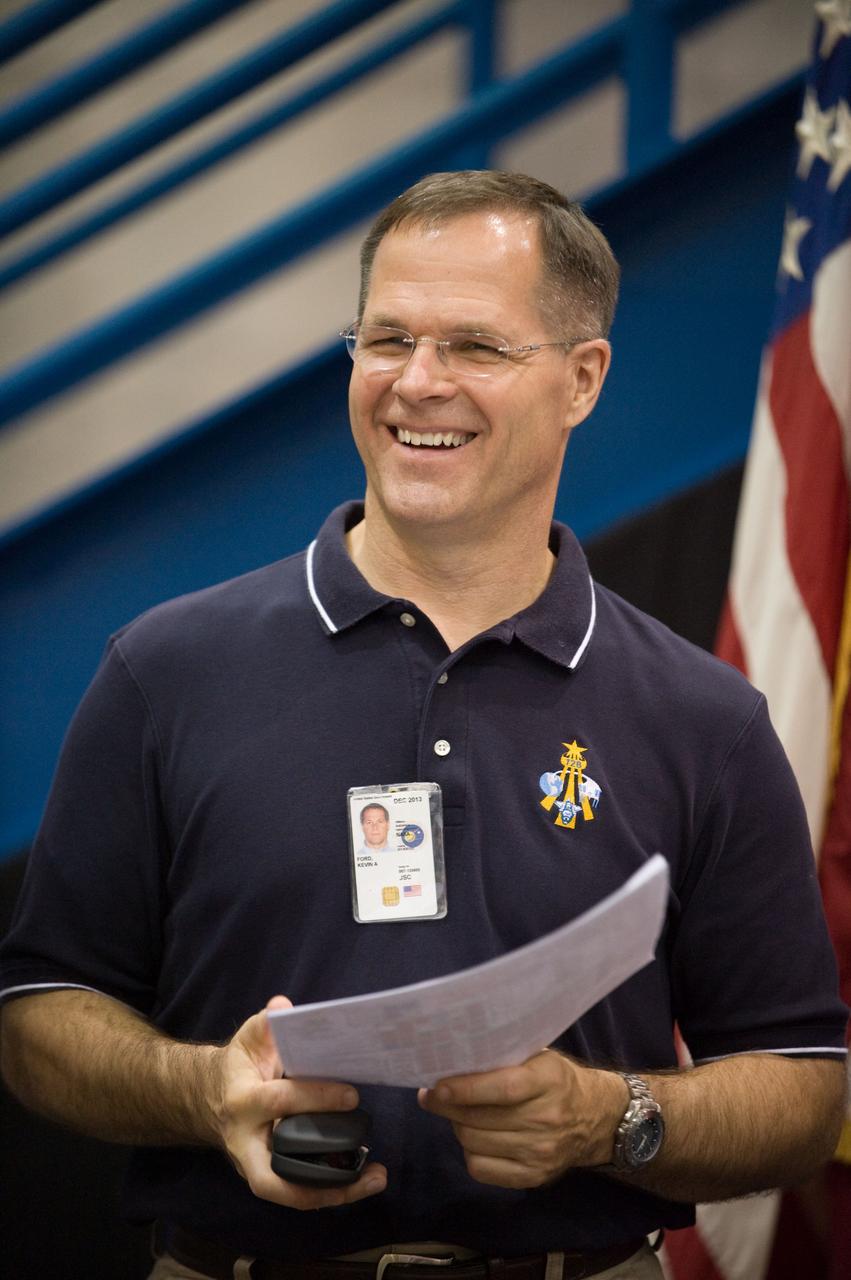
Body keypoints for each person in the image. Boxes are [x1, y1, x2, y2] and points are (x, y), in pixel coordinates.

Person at [0, 171, 847, 1280]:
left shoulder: (702, 717)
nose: (416, 383)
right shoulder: (165, 670)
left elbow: (799, 1080)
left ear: (581, 378)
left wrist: (608, 1114)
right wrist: (204, 1090)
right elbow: (37, 1015)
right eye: (385, 337)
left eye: (476, 347)